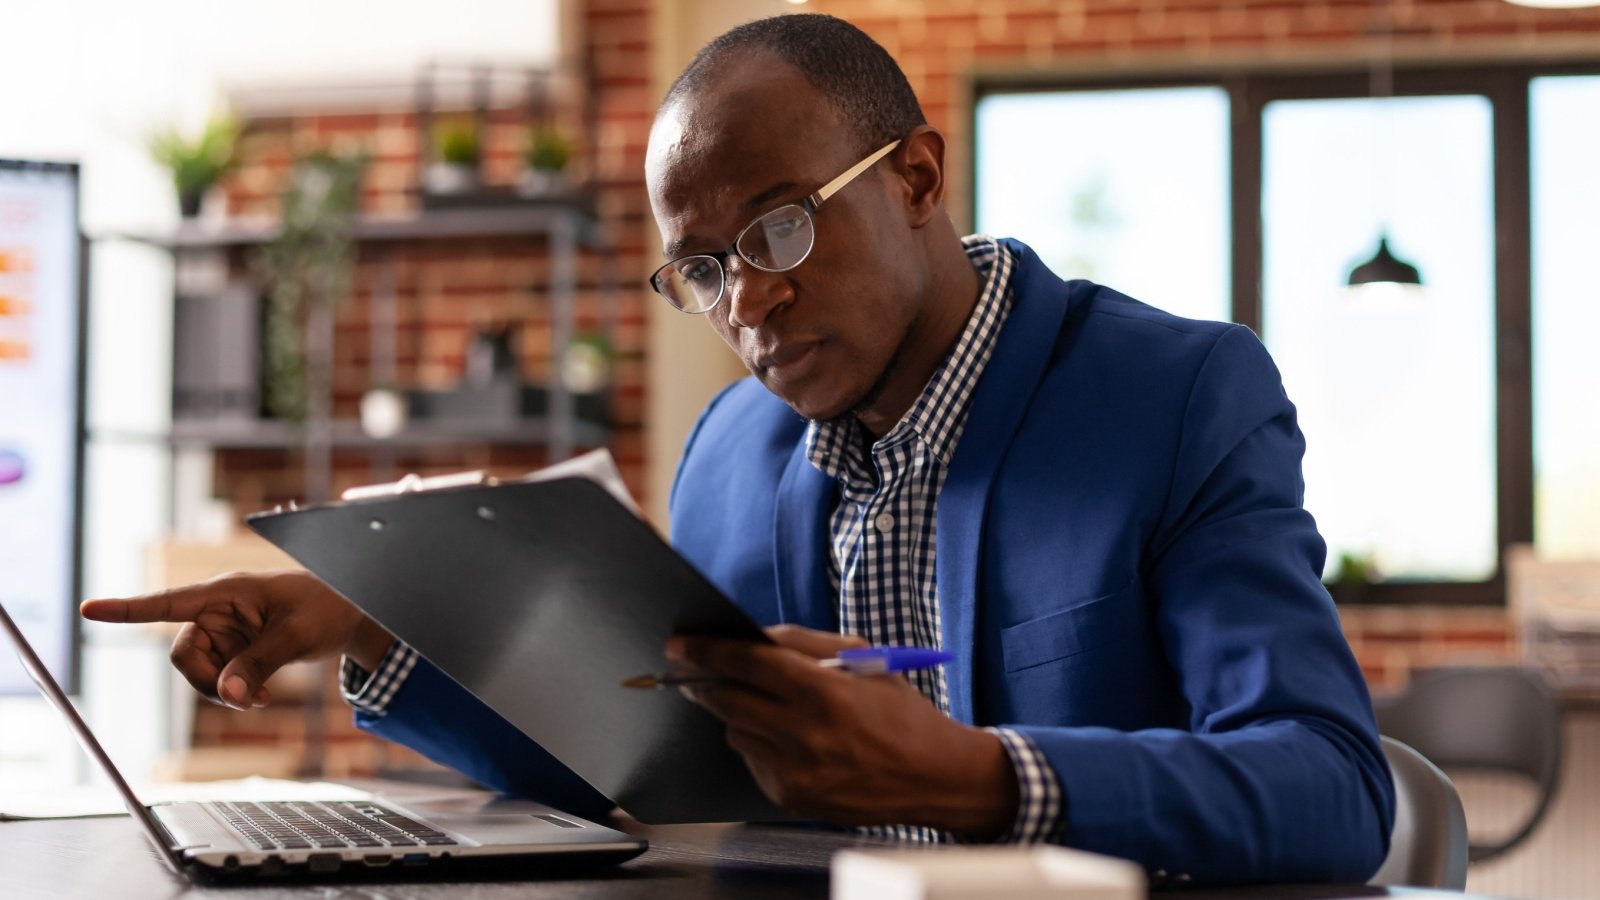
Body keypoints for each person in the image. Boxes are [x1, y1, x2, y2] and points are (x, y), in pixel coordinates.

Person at [83, 14, 1394, 885]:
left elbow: (1331, 788)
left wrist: (989, 781)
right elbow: (641, 767)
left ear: (919, 178)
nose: (745, 307)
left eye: (777, 234)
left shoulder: (1173, 394)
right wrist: (372, 622)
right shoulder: (730, 449)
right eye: (701, 270)